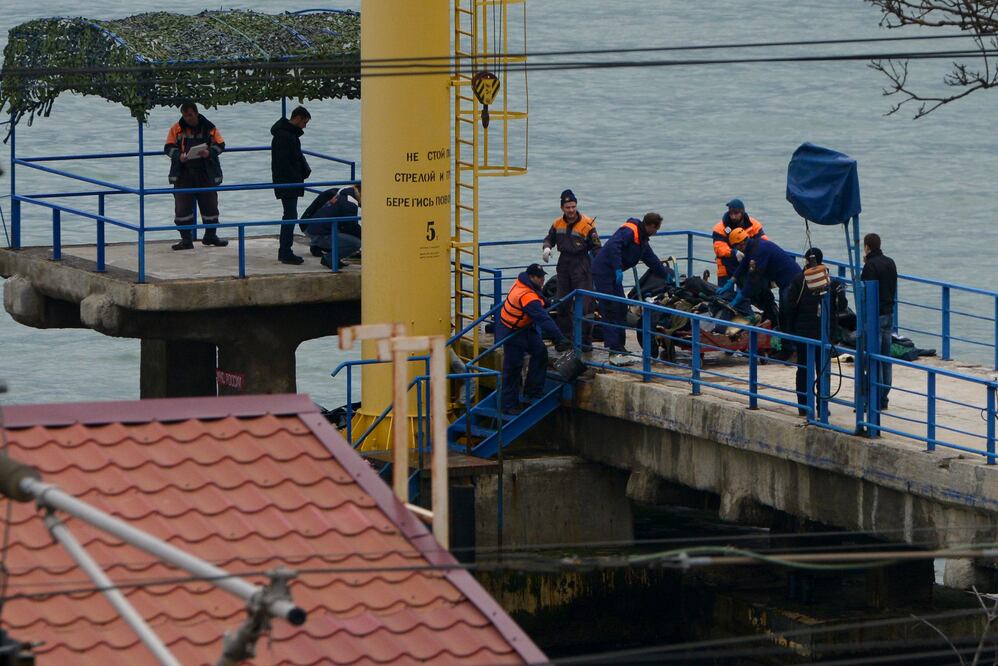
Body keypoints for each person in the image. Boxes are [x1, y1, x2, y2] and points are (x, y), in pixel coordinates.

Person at [591, 213, 674, 365]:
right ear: (650, 226)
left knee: (621, 307)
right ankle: (613, 349)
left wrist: (666, 275)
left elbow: (651, 259)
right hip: (603, 271)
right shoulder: (630, 231)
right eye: (656, 229)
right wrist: (617, 268)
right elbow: (614, 247)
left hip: (613, 274)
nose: (656, 232)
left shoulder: (642, 240)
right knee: (609, 307)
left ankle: (619, 346)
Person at [496, 264, 570, 414]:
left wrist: (550, 303)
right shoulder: (526, 296)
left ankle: (533, 390)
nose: (543, 280)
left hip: (525, 327)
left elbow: (540, 298)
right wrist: (560, 339)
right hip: (512, 332)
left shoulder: (524, 282)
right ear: (531, 277)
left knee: (540, 352)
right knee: (513, 368)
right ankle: (508, 405)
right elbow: (543, 319)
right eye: (540, 277)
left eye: (543, 276)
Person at [784, 248, 848, 416]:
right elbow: (842, 307)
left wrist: (788, 331)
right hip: (825, 334)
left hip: (803, 333)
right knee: (823, 370)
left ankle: (804, 406)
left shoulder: (799, 280)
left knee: (804, 369)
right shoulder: (830, 281)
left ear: (806, 261)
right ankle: (822, 407)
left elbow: (788, 306)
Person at [164, 102, 227, 250]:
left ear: (196, 114)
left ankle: (210, 235)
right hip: (183, 173)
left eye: (190, 115)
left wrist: (209, 152)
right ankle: (186, 239)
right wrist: (179, 156)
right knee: (182, 208)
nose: (188, 118)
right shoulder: (176, 129)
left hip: (205, 172)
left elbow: (221, 145)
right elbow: (168, 147)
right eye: (185, 115)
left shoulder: (209, 127)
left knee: (210, 205)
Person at [542, 189, 601, 345]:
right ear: (562, 208)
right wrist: (546, 248)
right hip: (564, 264)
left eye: (573, 206)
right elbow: (549, 238)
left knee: (586, 305)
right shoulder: (557, 223)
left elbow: (596, 247)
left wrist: (601, 265)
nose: (571, 210)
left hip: (581, 263)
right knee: (563, 303)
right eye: (568, 207)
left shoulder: (587, 224)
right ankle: (565, 339)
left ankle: (585, 341)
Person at [720, 228, 802, 332]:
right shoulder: (754, 244)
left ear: (741, 244)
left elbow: (753, 279)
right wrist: (732, 280)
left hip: (791, 282)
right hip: (784, 282)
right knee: (783, 313)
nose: (738, 250)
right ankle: (784, 336)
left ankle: (792, 342)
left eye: (737, 247)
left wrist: (740, 297)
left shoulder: (759, 252)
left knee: (788, 312)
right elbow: (745, 263)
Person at [861, 233, 898, 410]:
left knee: (873, 357)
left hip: (875, 316)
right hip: (889, 313)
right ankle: (884, 397)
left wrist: (866, 264)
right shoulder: (890, 262)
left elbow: (865, 292)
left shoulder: (870, 266)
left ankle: (875, 397)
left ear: (867, 247)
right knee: (885, 358)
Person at [271, 106, 312, 265]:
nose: (305, 126)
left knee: (290, 215)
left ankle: (285, 250)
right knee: (289, 216)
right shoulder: (285, 137)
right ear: (298, 118)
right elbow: (288, 161)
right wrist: (300, 173)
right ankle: (285, 251)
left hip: (288, 181)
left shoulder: (287, 135)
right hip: (288, 182)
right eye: (304, 122)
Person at [303, 184, 362, 269]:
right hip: (321, 234)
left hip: (314, 229)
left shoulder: (341, 195)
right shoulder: (350, 203)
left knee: (347, 236)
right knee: (356, 243)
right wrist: (364, 236)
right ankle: (330, 258)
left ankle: (333, 257)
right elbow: (350, 226)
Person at [711, 198, 767, 286]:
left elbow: (764, 242)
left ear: (742, 212)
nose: (733, 216)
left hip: (748, 262)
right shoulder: (719, 228)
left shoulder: (754, 225)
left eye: (736, 213)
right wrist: (734, 253)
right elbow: (719, 248)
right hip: (726, 264)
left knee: (747, 290)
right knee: (725, 293)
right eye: (731, 213)